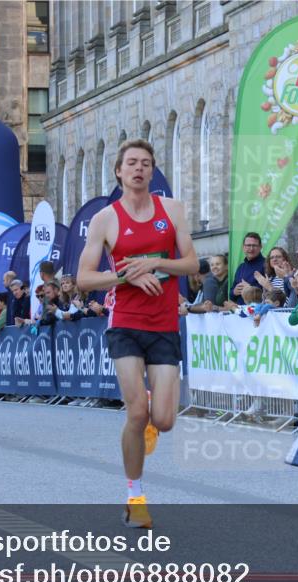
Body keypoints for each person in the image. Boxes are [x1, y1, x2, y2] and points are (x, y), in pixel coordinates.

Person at [77, 138, 198, 529]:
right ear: (119, 171)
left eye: (145, 163)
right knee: (137, 412)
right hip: (126, 320)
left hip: (163, 323)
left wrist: (155, 262)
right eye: (131, 163)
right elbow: (83, 278)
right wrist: (124, 275)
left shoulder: (172, 210)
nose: (139, 169)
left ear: (152, 170)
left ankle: (149, 406)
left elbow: (192, 263)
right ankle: (135, 496)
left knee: (163, 421)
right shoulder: (105, 219)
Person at [232, 232, 266, 298]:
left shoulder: (267, 264)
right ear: (243, 247)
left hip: (259, 307)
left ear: (260, 247)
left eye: (254, 245)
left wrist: (250, 289)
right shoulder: (241, 267)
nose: (251, 248)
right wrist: (234, 292)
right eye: (248, 245)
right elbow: (231, 293)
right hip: (241, 307)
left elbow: (272, 291)